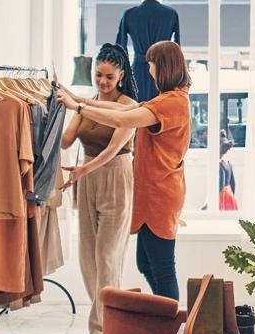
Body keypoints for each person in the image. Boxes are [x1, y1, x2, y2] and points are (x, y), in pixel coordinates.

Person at [58, 40, 191, 301]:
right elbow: (124, 109)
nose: (149, 69)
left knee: (162, 269)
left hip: (160, 194)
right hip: (152, 190)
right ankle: (163, 318)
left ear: (162, 67)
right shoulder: (169, 99)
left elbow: (123, 118)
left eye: (151, 64)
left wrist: (80, 107)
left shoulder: (172, 103)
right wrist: (79, 99)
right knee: (145, 263)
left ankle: (169, 323)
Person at [61, 43, 137, 334]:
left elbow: (111, 150)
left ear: (120, 75)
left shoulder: (131, 107)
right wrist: (47, 112)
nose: (102, 82)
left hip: (115, 175)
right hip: (87, 177)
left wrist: (83, 170)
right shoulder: (89, 104)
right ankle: (108, 319)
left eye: (108, 76)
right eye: (97, 75)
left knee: (107, 255)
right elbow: (66, 141)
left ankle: (101, 330)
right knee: (88, 255)